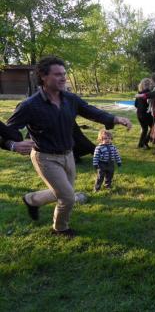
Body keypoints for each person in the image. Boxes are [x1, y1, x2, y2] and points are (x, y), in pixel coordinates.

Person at [6, 55, 132, 237]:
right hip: (45, 157)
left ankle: (32, 200)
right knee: (67, 197)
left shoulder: (69, 99)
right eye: (57, 74)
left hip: (68, 154)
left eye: (64, 74)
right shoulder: (29, 105)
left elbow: (90, 110)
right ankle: (60, 228)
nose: (63, 78)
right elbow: (8, 131)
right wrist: (13, 144)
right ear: (43, 76)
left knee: (64, 192)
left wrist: (114, 119)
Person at [134, 78, 154, 149]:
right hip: (146, 114)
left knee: (145, 129)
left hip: (139, 114)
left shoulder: (139, 93)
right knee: (153, 127)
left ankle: (140, 144)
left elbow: (135, 105)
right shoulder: (149, 93)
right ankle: (145, 142)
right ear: (149, 84)